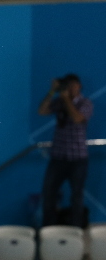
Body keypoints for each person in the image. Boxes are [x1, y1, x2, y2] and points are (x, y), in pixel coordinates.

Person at [38, 73, 93, 228]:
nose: (70, 88)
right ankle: (48, 228)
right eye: (67, 85)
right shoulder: (59, 101)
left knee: (77, 196)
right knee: (48, 193)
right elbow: (42, 111)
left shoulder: (85, 103)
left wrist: (66, 99)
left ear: (79, 86)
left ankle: (76, 230)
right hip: (58, 158)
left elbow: (77, 118)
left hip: (78, 159)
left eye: (73, 85)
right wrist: (52, 92)